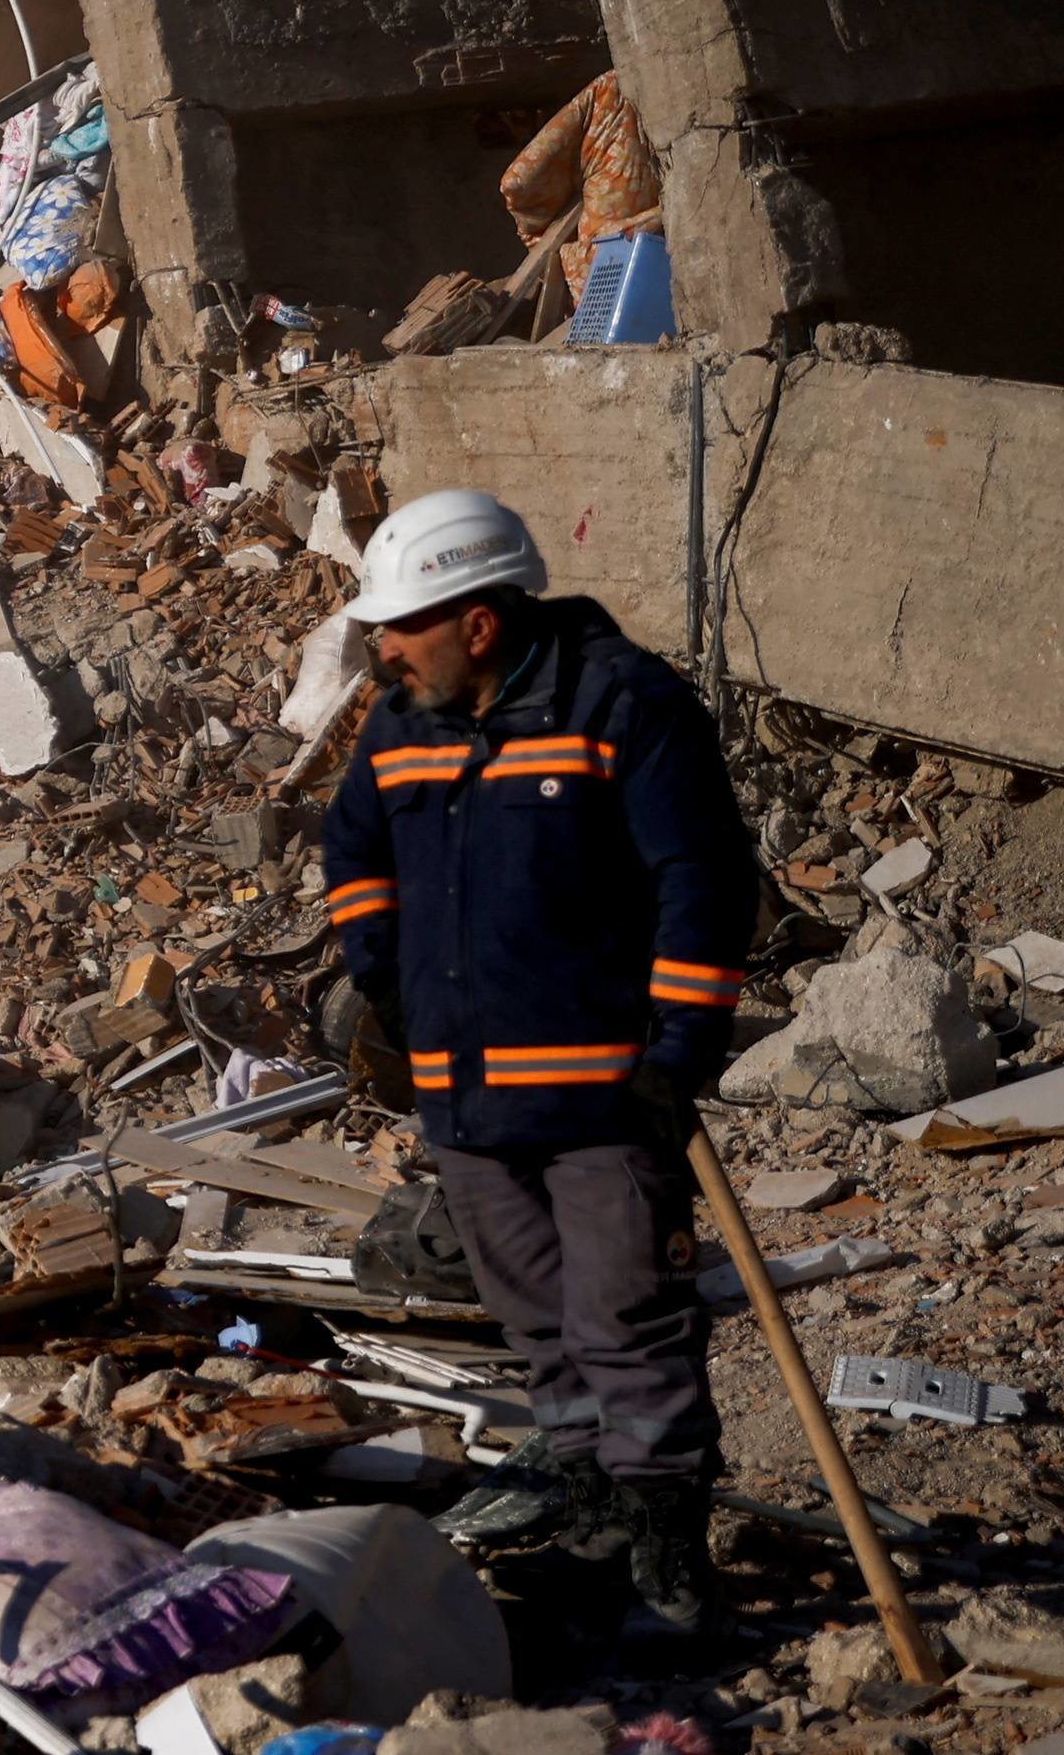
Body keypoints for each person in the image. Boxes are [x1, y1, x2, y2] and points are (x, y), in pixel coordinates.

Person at [315, 487, 757, 1640]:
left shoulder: (621, 704)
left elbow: (700, 883)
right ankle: (596, 1529)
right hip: (466, 1104)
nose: (381, 647)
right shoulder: (402, 726)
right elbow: (352, 845)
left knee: (627, 1323)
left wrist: (679, 1047)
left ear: (478, 622)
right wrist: (382, 975)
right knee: (539, 1328)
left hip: (606, 1094)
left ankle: (670, 1567)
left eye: (402, 625)